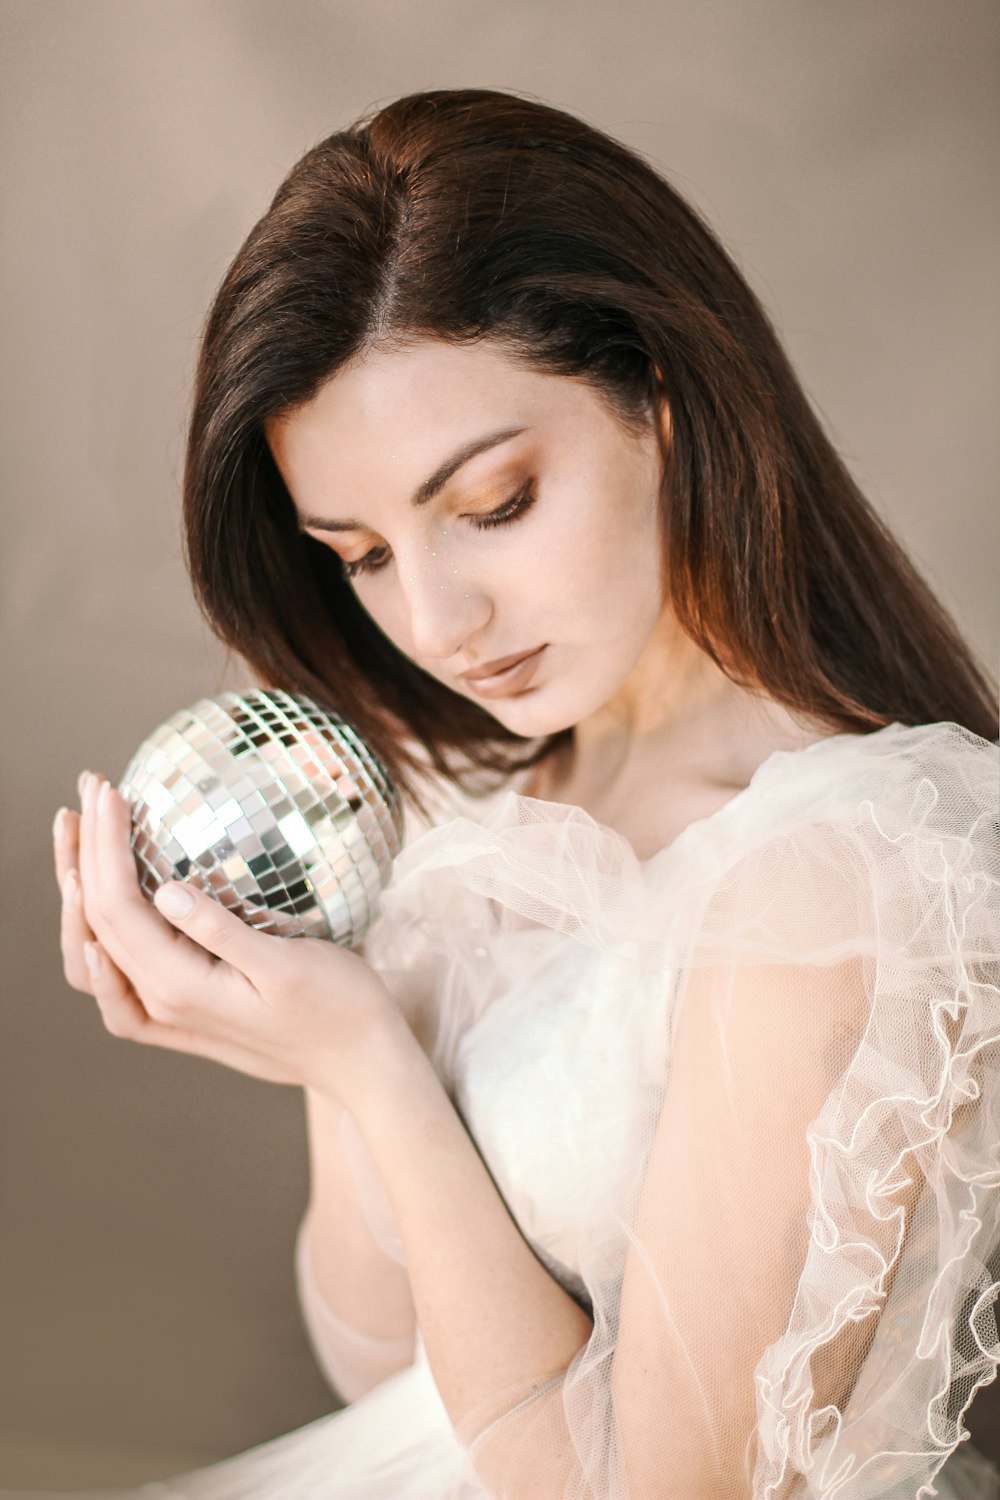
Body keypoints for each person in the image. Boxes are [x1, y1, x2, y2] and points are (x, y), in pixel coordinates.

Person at [37, 88, 1000, 1499]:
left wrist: (371, 1060)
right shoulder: (482, 801)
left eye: (492, 505)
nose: (435, 621)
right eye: (360, 553)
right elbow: (392, 1377)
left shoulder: (836, 874)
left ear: (663, 402)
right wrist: (331, 1019)